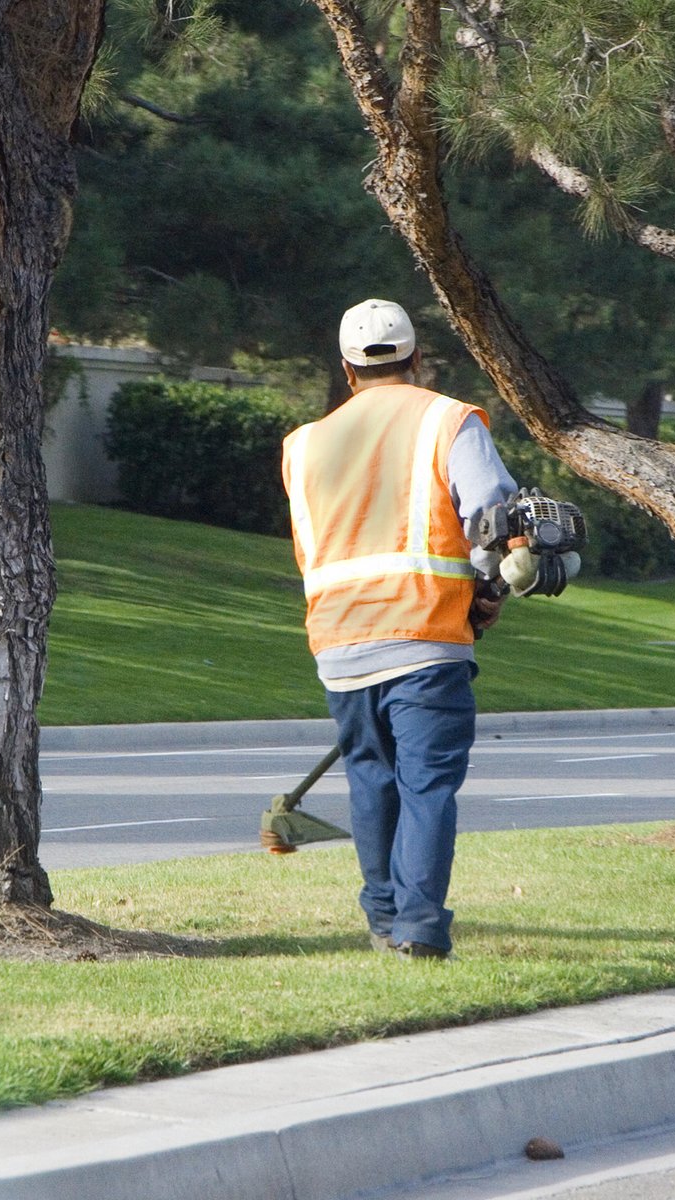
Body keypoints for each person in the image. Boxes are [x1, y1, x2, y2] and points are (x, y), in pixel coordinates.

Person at [281, 298, 518, 960]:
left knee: (371, 778)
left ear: (347, 370)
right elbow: (493, 522)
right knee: (426, 785)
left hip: (339, 642)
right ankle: (416, 927)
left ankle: (383, 920)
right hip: (424, 634)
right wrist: (490, 594)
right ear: (416, 359)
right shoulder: (448, 420)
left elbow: (312, 547)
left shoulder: (302, 445)